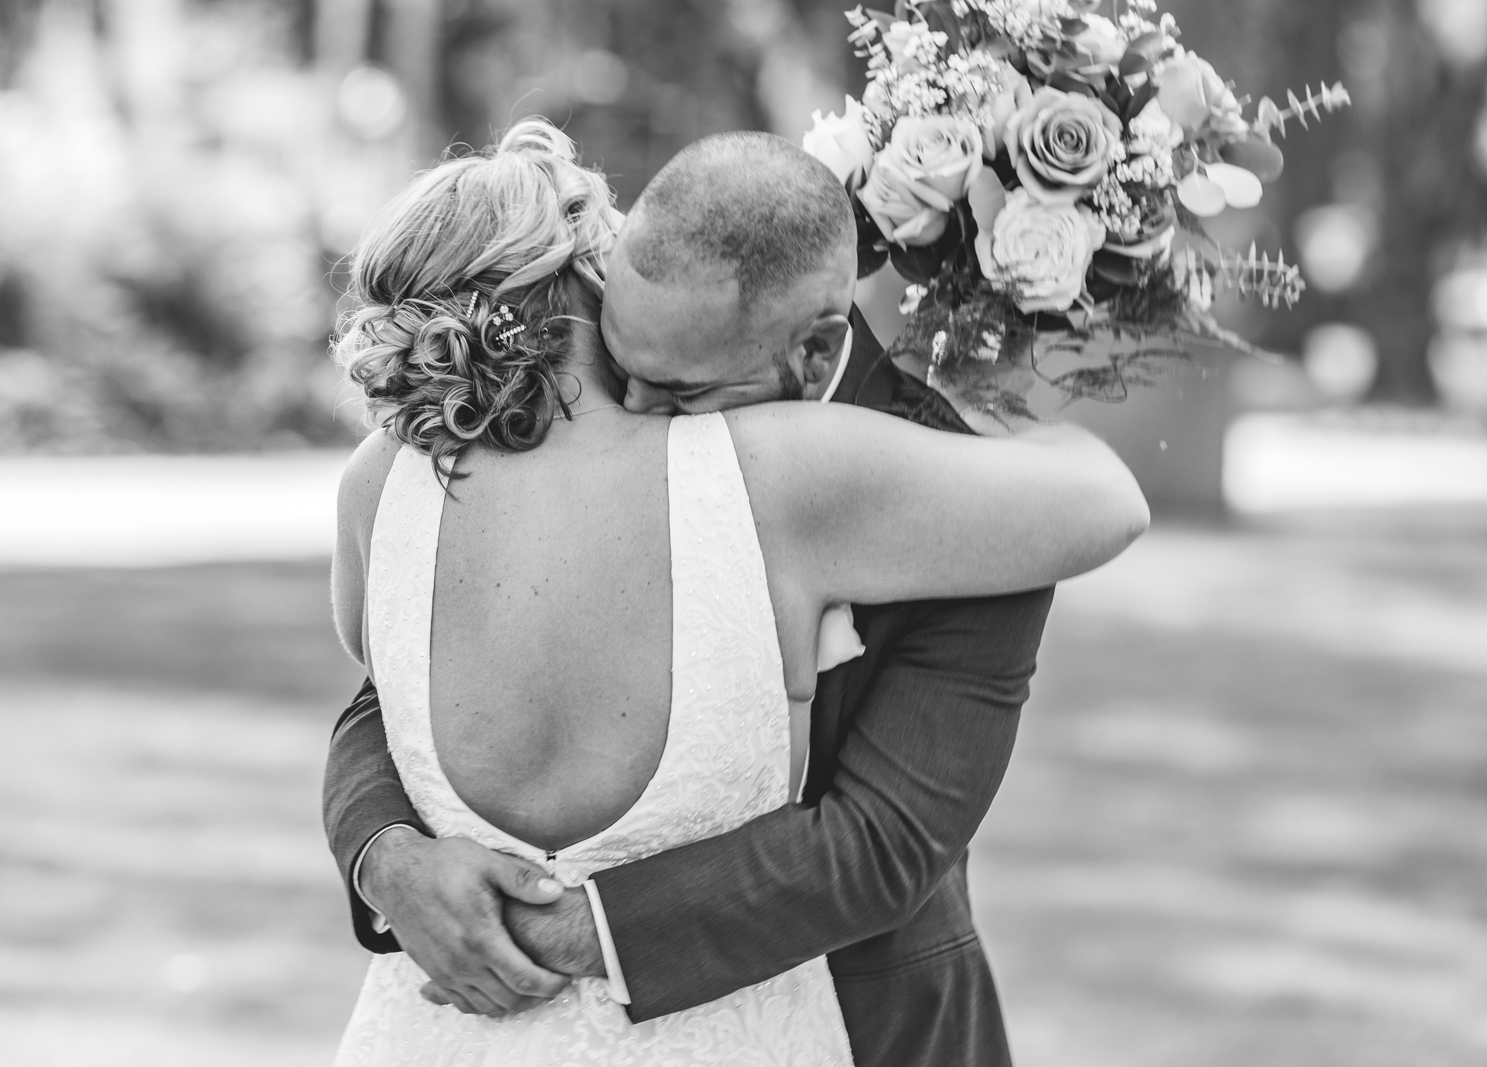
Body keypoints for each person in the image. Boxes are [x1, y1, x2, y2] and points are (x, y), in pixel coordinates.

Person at [328, 118, 1147, 1066]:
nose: (636, 414)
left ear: (812, 352)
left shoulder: (960, 492)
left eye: (675, 390)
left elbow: (885, 842)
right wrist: (384, 855)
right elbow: (387, 696)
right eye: (620, 362)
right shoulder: (474, 469)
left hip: (857, 1014)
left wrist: (569, 928)